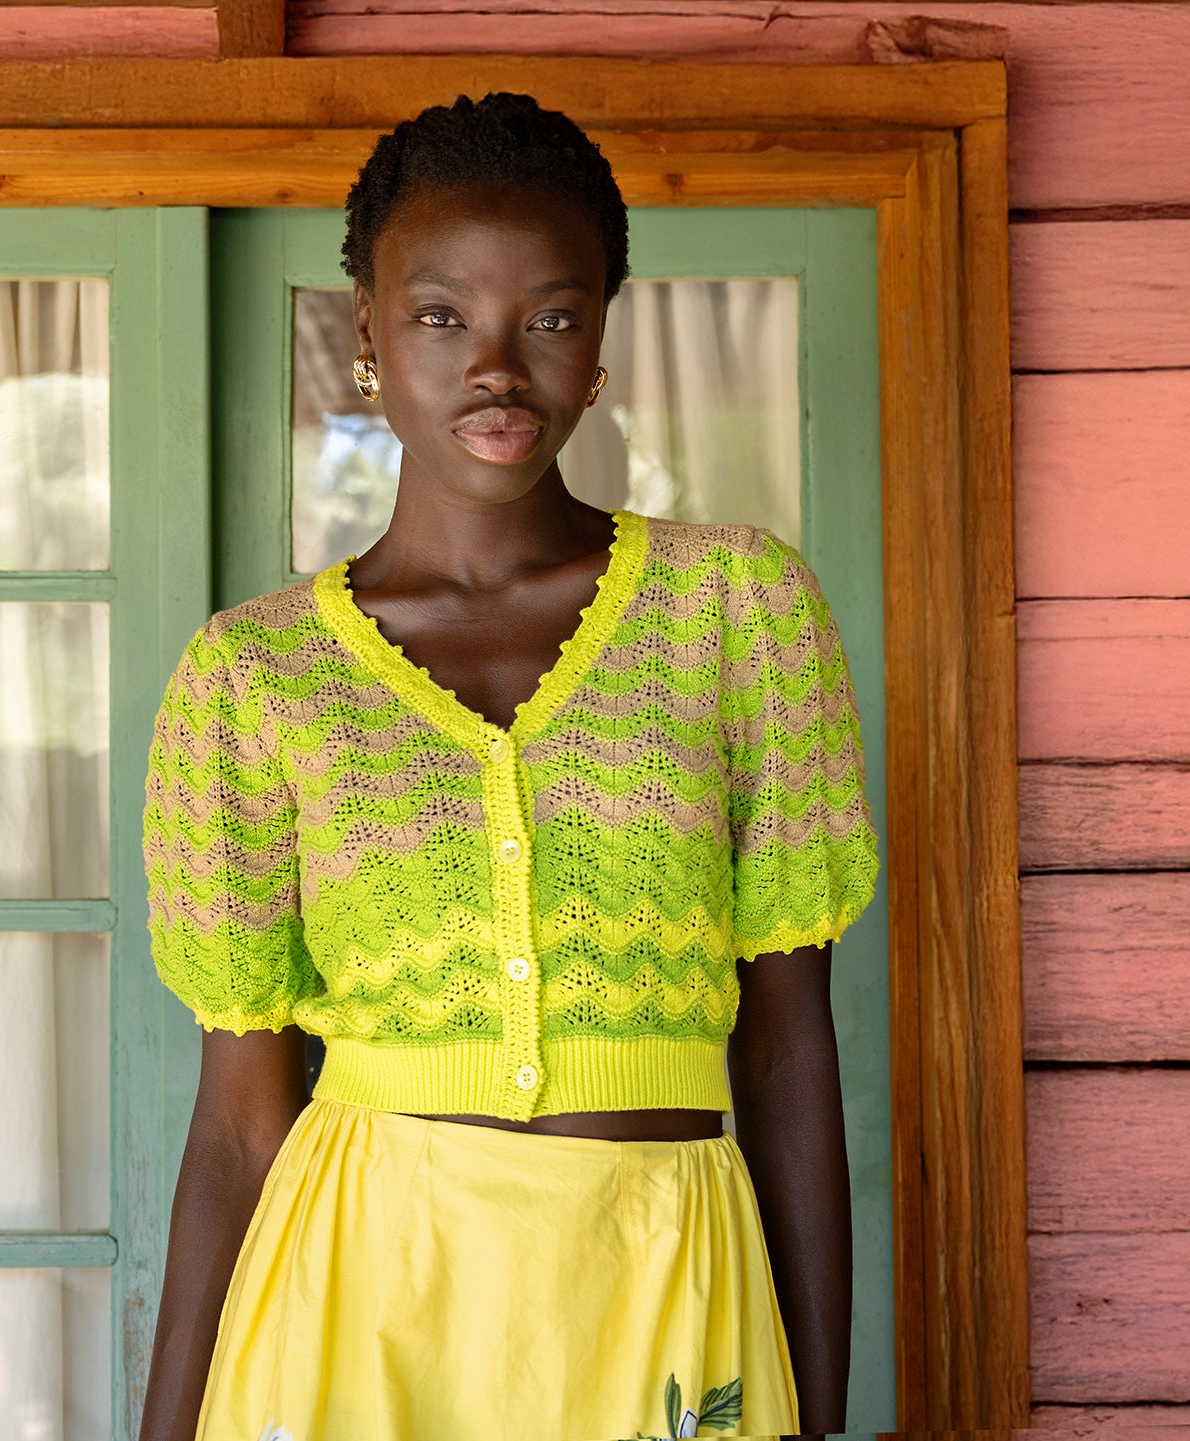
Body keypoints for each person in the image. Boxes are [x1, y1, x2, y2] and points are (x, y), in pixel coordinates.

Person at [138, 92, 879, 1441]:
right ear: (363, 331)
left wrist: (819, 1415)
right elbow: (241, 1126)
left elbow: (786, 1058)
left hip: (658, 1287)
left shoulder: (740, 613)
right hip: (363, 1306)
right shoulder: (254, 676)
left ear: (599, 343)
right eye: (439, 316)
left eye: (550, 316)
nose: (497, 367)